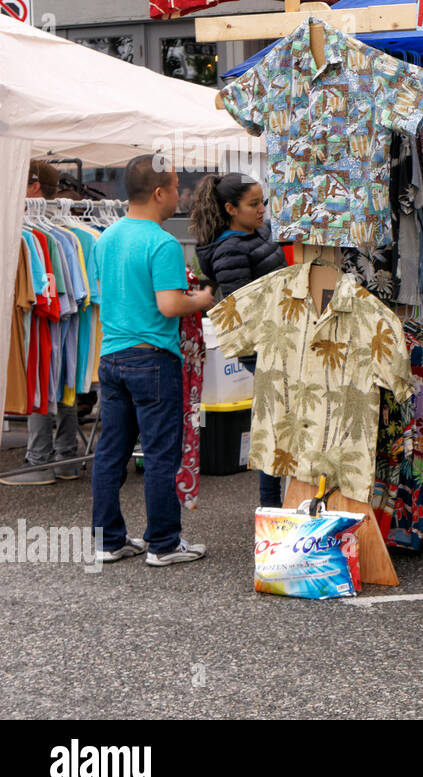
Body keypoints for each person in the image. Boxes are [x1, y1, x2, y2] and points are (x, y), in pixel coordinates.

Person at [91, 155, 214, 565]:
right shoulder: (162, 242)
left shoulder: (105, 238)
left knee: (111, 452)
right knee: (161, 454)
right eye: (177, 186)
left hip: (111, 357)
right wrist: (204, 298)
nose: (180, 194)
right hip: (153, 359)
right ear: (159, 193)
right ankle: (163, 543)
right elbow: (169, 305)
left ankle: (108, 540)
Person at [191, 172, 287, 508]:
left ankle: (278, 506)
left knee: (280, 421)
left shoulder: (253, 233)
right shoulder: (230, 248)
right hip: (262, 345)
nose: (262, 209)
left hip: (277, 340)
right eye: (253, 204)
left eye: (262, 201)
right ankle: (271, 508)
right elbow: (242, 309)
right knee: (274, 424)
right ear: (231, 208)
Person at [2, 163, 88, 486]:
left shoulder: (41, 237)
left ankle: (38, 459)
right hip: (62, 322)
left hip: (40, 323)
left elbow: (44, 300)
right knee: (61, 380)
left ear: (35, 187)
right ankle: (66, 456)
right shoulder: (60, 235)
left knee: (44, 377)